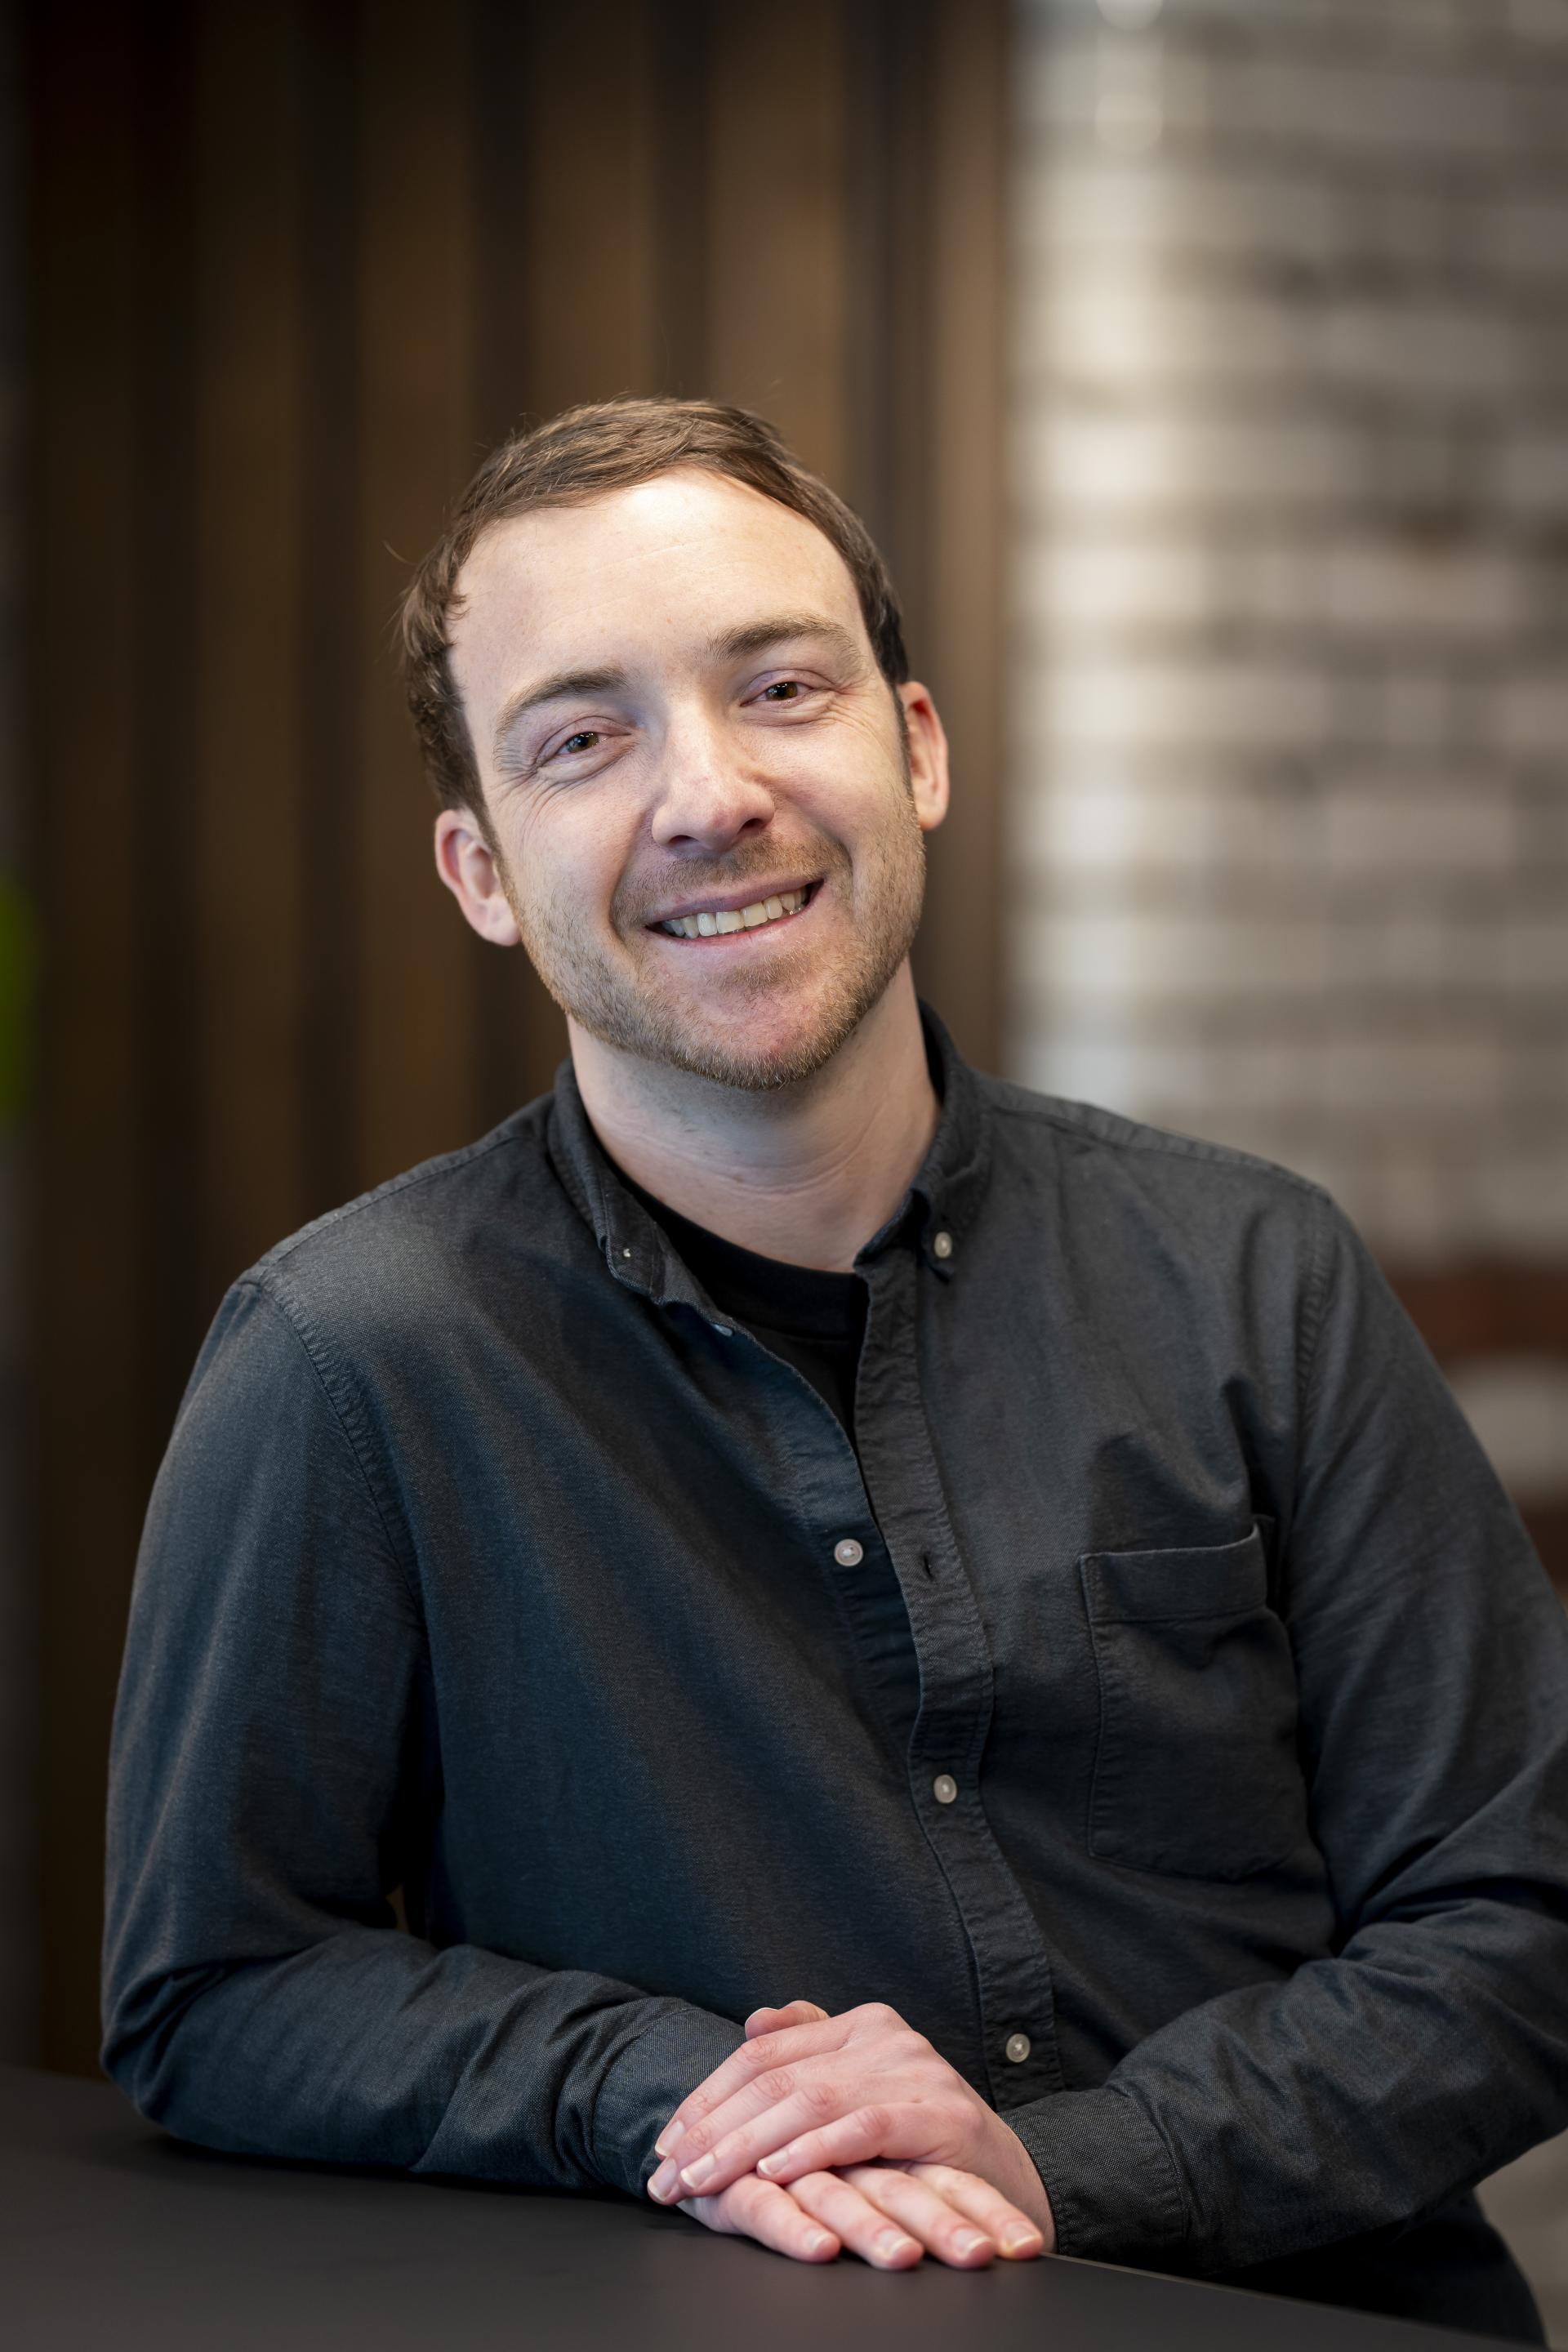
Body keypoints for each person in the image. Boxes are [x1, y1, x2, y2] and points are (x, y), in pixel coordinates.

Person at [103, 397, 1568, 2333]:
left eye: (777, 686)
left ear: (919, 746)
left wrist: (1063, 2170)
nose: (706, 793)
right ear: (477, 868)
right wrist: (674, 2092)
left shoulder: (1253, 1272)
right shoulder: (346, 1364)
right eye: (583, 737)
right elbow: (216, 1985)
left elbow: (1520, 1920)